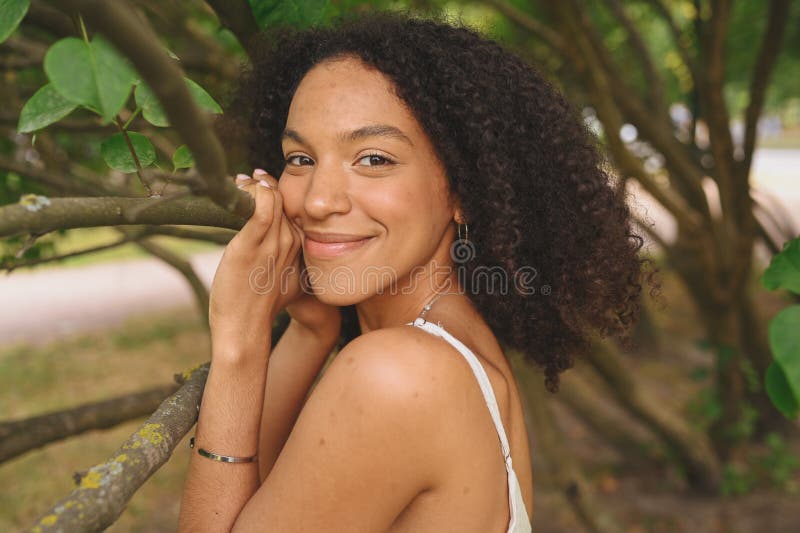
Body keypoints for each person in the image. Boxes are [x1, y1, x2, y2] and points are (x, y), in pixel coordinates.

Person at [178, 11, 646, 532]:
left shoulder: (397, 375)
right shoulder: (448, 343)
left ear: (464, 191)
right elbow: (260, 505)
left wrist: (240, 343)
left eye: (374, 159)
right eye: (300, 158)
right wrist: (309, 332)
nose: (317, 201)